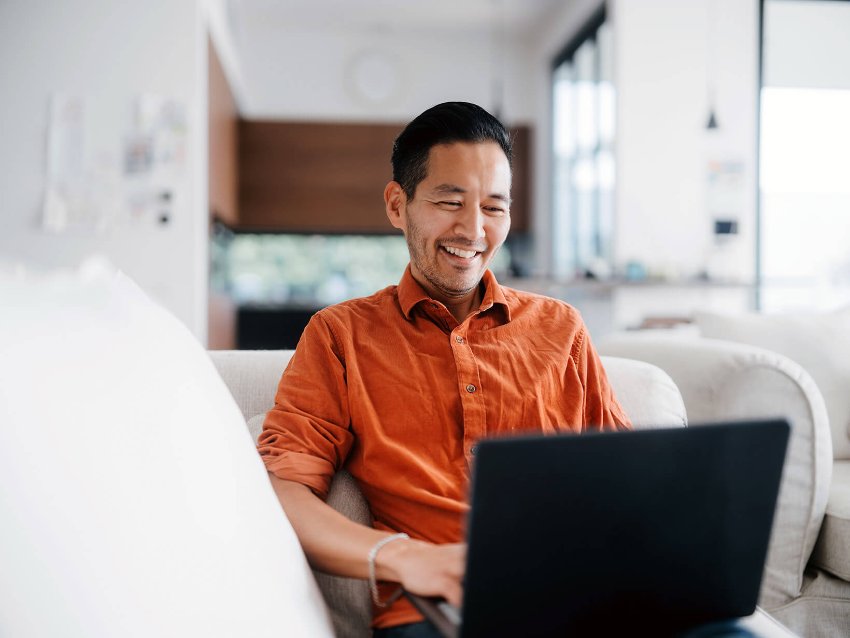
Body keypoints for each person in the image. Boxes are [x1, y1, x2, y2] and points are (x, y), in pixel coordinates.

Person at [257, 102, 631, 637]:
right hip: (439, 613)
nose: (474, 229)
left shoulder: (562, 328)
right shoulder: (340, 336)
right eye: (450, 201)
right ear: (397, 204)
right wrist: (402, 558)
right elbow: (282, 491)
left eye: (494, 207)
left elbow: (628, 479)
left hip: (581, 597)